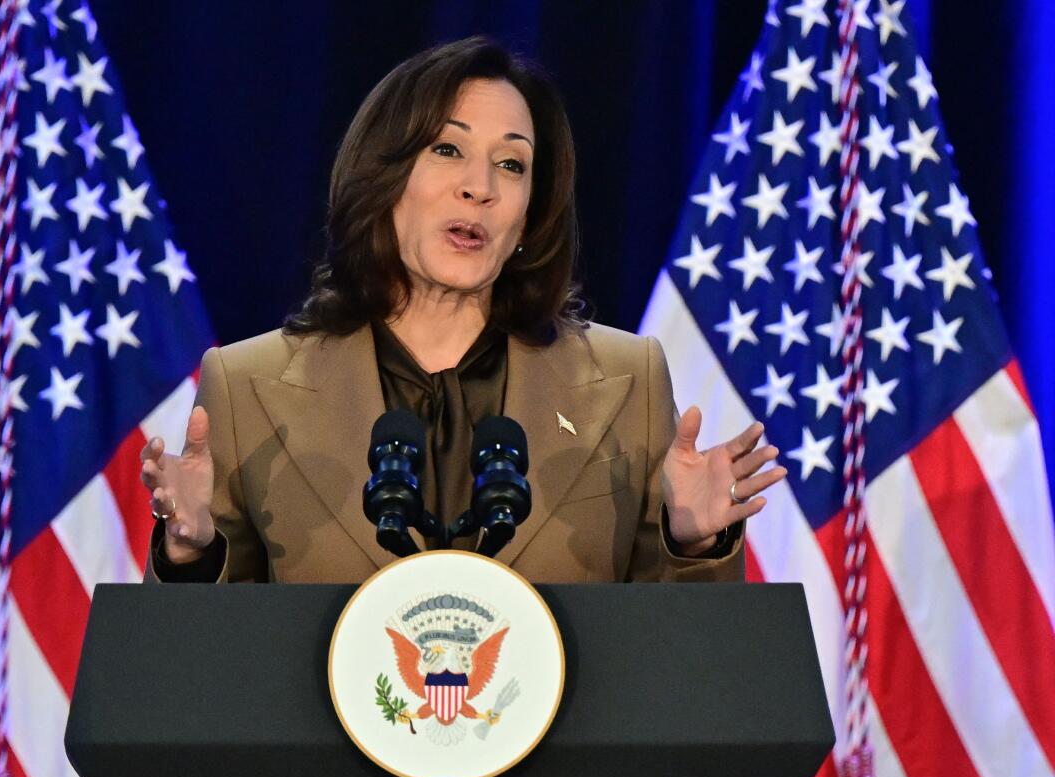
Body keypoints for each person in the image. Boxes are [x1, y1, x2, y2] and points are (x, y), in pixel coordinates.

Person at [139, 37, 786, 585]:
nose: (481, 186)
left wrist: (695, 545)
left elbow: (673, 668)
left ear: (529, 217)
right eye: (448, 149)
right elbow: (198, 677)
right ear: (384, 177)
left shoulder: (628, 380)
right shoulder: (247, 387)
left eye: (512, 163)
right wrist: (191, 551)